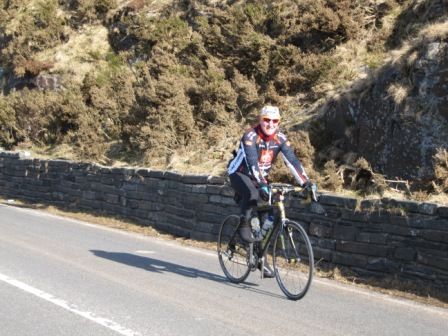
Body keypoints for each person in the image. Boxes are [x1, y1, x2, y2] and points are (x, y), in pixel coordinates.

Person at [227, 105, 312, 277]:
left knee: (267, 216)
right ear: (260, 120)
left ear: (279, 122)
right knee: (251, 194)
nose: (270, 124)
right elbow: (252, 163)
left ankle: (260, 259)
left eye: (275, 121)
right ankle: (244, 224)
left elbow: (292, 161)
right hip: (240, 173)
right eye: (267, 120)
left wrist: (306, 183)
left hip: (260, 177)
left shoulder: (280, 138)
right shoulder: (250, 136)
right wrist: (262, 184)